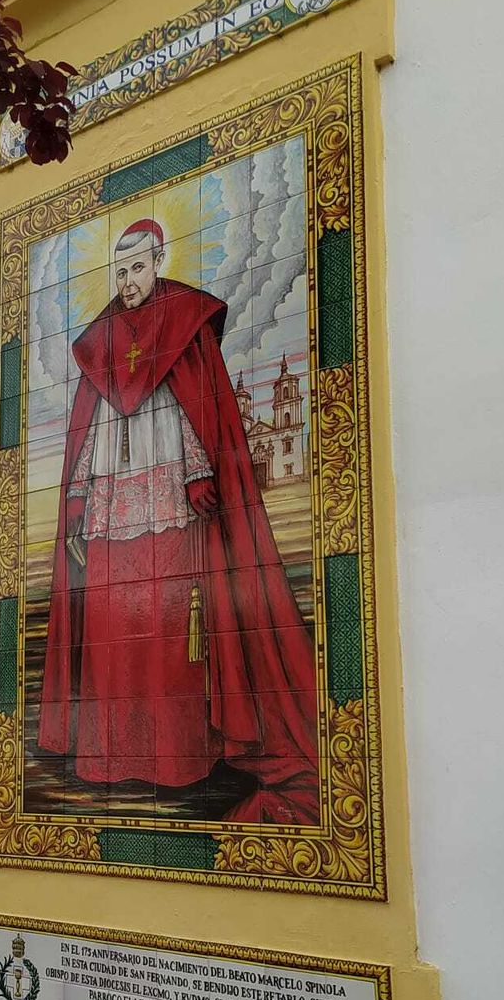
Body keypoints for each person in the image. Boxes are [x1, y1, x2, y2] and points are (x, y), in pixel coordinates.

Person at [36, 219, 320, 824]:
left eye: (137, 267)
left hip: (172, 511)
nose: (127, 281)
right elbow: (89, 436)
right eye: (118, 270)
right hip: (116, 516)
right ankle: (110, 758)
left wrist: (197, 473)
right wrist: (80, 504)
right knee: (114, 633)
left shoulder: (186, 324)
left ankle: (182, 760)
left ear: (159, 261)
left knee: (175, 637)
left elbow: (200, 409)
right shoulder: (100, 341)